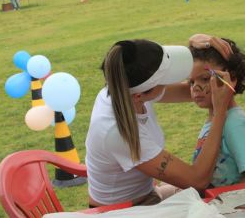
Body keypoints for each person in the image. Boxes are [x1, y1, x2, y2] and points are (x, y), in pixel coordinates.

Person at [85, 39, 236, 207]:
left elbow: (195, 93)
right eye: (165, 78)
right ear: (139, 96)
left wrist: (198, 47)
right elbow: (198, 179)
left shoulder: (122, 86)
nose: (193, 85)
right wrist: (219, 112)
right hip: (123, 211)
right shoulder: (117, 133)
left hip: (147, 196)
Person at [189, 37, 245, 187]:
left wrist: (220, 199)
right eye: (191, 81)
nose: (195, 88)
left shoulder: (235, 124)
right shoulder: (215, 118)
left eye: (205, 79)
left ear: (231, 78)